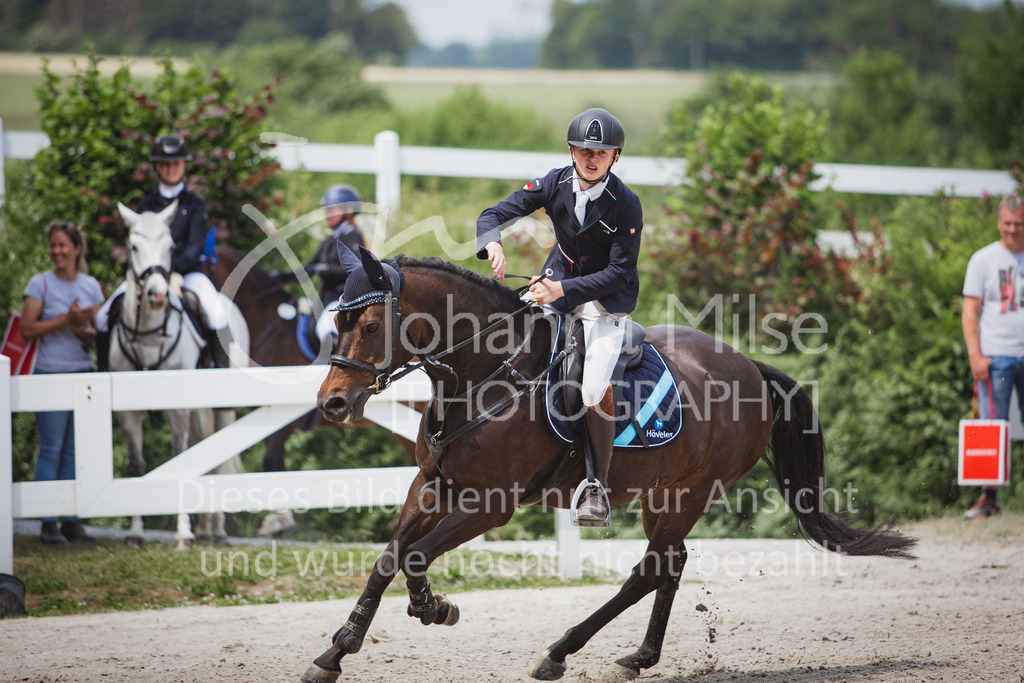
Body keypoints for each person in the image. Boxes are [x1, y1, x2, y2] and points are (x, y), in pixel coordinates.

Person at [477, 108, 643, 526]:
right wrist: (492, 243)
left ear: (614, 157)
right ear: (572, 150)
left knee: (591, 389)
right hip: (556, 285)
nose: (592, 158)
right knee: (506, 344)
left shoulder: (626, 204)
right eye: (585, 150)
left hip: (605, 301)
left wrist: (563, 290)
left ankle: (597, 487)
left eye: (601, 153)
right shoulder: (554, 182)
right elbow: (494, 214)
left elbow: (619, 271)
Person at [95, 134, 230, 368]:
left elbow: (196, 246)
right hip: (148, 275)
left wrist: (169, 269)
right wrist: (154, 272)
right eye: (165, 164)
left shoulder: (194, 204)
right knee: (102, 316)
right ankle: (104, 372)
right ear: (157, 166)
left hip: (187, 273)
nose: (171, 169)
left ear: (183, 166)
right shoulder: (147, 205)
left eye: (176, 163)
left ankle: (217, 374)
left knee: (216, 312)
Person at [20, 221, 105, 544]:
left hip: (82, 372)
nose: (56, 251)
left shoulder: (92, 287)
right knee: (51, 449)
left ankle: (71, 520)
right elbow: (28, 329)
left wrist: (83, 330)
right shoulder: (40, 284)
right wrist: (65, 321)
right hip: (49, 373)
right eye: (52, 245)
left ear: (76, 248)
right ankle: (48, 521)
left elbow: (96, 332)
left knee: (74, 452)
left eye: (62, 245)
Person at [962, 194, 1024, 520]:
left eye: (1019, 223)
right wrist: (975, 354)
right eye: (1007, 223)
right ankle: (988, 499)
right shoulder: (983, 260)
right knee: (990, 429)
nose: (1012, 229)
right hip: (995, 355)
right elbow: (970, 310)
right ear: (999, 222)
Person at [279, 184, 366, 348]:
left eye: (331, 210)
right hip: (325, 299)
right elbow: (308, 268)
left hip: (342, 298)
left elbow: (355, 270)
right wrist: (281, 278)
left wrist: (326, 269)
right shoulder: (329, 241)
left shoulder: (353, 237)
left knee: (324, 329)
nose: (327, 215)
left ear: (347, 210)